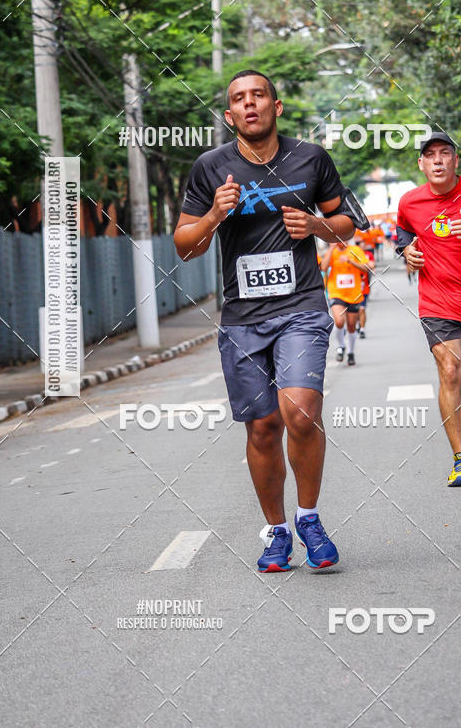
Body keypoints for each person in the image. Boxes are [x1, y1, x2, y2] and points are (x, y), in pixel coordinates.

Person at [174, 69, 362, 572]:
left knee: (300, 412)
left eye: (259, 95)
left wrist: (317, 226)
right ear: (230, 114)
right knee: (261, 427)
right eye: (239, 98)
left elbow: (348, 223)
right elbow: (185, 246)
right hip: (241, 319)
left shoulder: (310, 158)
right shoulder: (210, 168)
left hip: (300, 307)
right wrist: (214, 215)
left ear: (276, 107)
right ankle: (277, 532)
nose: (249, 104)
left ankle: (310, 517)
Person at [396, 131, 461, 487]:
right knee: (451, 371)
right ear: (421, 164)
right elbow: (403, 233)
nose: (437, 160)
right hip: (437, 301)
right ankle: (460, 460)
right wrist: (406, 251)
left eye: (445, 153)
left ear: (456, 160)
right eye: (430, 155)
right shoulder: (410, 202)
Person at [320, 239, 369, 364]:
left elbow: (366, 268)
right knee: (339, 320)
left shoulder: (355, 250)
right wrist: (331, 249)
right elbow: (324, 267)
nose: (341, 241)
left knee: (352, 325)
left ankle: (351, 352)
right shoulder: (332, 252)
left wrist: (350, 261)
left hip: (354, 294)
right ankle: (341, 346)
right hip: (336, 293)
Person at [355, 236, 375, 338]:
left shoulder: (368, 254)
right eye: (361, 245)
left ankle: (362, 329)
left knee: (362, 309)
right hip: (353, 288)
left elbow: (372, 265)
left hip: (364, 286)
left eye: (364, 245)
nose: (363, 246)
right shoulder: (353, 255)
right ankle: (358, 324)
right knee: (355, 310)